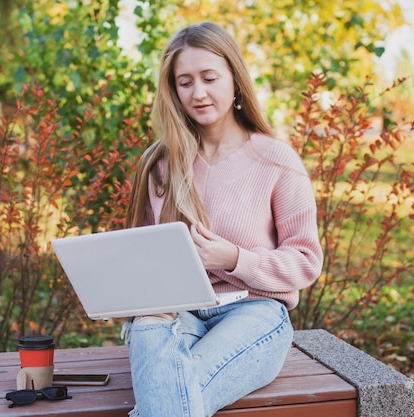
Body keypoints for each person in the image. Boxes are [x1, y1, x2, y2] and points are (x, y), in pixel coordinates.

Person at [121, 22, 323, 417]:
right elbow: (144, 256)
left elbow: (305, 261)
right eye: (185, 82)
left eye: (209, 78)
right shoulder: (161, 164)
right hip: (175, 312)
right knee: (149, 329)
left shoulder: (275, 160)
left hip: (255, 311)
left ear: (235, 79)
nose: (198, 93)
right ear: (173, 90)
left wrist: (234, 259)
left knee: (172, 388)